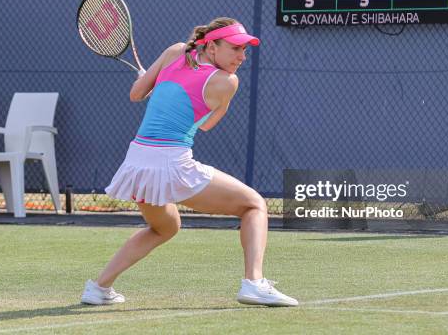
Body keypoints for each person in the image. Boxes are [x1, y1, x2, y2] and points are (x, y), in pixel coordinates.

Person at [81, 18, 298, 307]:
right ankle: (254, 283)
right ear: (211, 46)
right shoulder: (226, 81)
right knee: (254, 205)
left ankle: (98, 288)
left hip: (136, 163)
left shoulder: (174, 52)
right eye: (235, 48)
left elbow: (137, 93)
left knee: (164, 227)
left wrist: (156, 82)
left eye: (245, 51)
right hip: (171, 163)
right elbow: (207, 124)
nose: (241, 57)